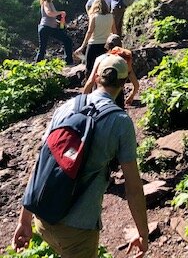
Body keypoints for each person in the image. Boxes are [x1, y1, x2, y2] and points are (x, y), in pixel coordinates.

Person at [12, 55, 149, 258]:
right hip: (78, 229)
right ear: (124, 83)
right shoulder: (121, 122)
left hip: (42, 218)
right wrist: (143, 233)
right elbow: (133, 188)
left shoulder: (67, 107)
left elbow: (43, 160)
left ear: (95, 77)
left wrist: (24, 220)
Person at [83, 34, 139, 107]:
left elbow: (90, 81)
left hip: (100, 96)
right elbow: (136, 85)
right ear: (121, 45)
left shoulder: (100, 59)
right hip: (117, 97)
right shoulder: (123, 61)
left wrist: (82, 102)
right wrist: (131, 96)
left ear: (107, 46)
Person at [74, 0, 114, 75]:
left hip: (94, 44)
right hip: (106, 45)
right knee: (103, 67)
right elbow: (114, 31)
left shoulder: (94, 16)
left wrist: (82, 47)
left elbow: (90, 32)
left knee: (89, 68)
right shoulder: (111, 16)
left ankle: (90, 84)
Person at [35, 0, 74, 65]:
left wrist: (60, 21)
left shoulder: (51, 3)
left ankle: (68, 61)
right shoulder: (46, 2)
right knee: (42, 47)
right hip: (45, 27)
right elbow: (49, 13)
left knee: (67, 40)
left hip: (52, 27)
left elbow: (52, 16)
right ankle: (37, 64)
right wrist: (60, 12)